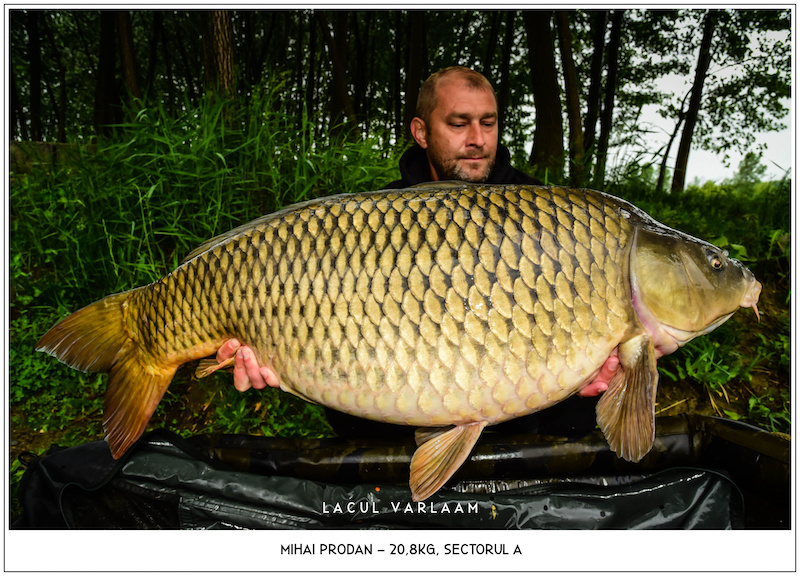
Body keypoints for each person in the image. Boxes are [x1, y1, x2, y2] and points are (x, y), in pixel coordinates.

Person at [213, 66, 618, 434]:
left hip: (530, 434)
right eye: (459, 124)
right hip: (393, 421)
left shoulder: (551, 214)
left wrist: (608, 357)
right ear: (421, 132)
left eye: (488, 123)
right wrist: (279, 356)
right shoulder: (370, 220)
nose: (477, 140)